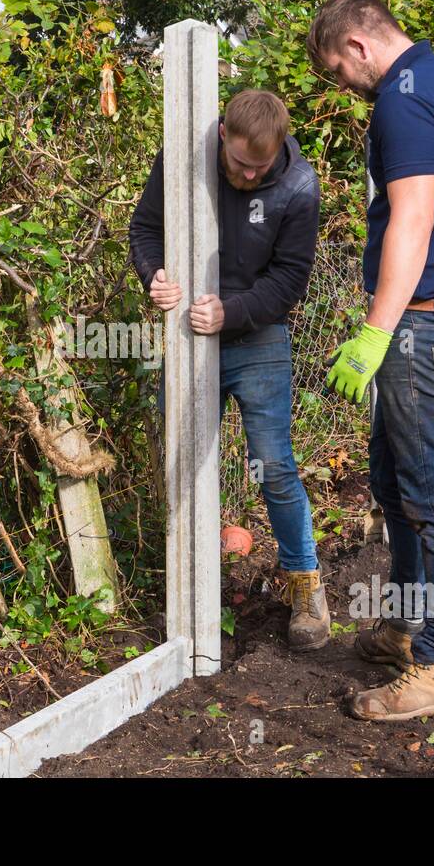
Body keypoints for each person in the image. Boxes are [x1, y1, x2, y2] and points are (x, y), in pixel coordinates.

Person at [308, 0, 434, 720]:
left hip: (425, 325)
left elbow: (413, 221)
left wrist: (378, 330)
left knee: (431, 495)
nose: (343, 87)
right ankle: (408, 629)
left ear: (358, 46)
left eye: (336, 71)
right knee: (393, 481)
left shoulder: (402, 101)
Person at [128, 88, 328, 650]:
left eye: (258, 168)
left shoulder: (298, 186)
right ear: (222, 136)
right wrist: (155, 274)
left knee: (273, 463)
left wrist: (231, 310)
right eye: (239, 164)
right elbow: (145, 229)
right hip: (190, 338)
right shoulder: (182, 158)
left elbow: (291, 280)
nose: (246, 176)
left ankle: (305, 584)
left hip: (258, 337)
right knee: (183, 459)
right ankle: (189, 589)